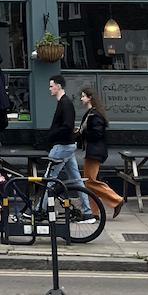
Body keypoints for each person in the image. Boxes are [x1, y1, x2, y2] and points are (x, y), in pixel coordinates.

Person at [46, 75, 95, 223]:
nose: (49, 89)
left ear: (59, 86)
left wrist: (52, 134)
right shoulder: (64, 102)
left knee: (49, 179)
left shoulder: (65, 103)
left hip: (63, 146)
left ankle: (39, 210)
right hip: (68, 146)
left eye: (51, 86)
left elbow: (67, 126)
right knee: (77, 180)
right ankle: (87, 213)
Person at [77, 88, 125, 218]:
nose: (81, 99)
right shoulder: (91, 113)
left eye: (83, 96)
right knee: (89, 183)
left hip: (95, 151)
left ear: (90, 97)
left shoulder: (95, 115)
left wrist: (82, 132)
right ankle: (94, 212)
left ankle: (116, 200)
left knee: (90, 181)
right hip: (92, 151)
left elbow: (97, 133)